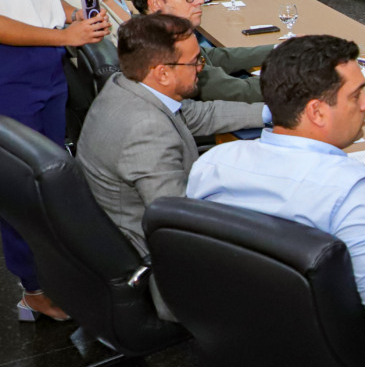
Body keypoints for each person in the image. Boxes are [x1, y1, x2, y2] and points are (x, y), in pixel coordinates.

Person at [187, 35, 365, 344]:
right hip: (346, 344)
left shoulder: (212, 164)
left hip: (253, 330)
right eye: (356, 94)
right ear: (317, 112)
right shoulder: (347, 187)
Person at [0, 0, 109, 322]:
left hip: (45, 64)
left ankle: (58, 269)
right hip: (11, 70)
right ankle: (33, 288)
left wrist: (72, 14)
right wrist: (63, 38)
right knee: (19, 186)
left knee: (53, 177)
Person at [76, 14, 265, 256]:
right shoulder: (146, 130)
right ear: (163, 73)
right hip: (154, 253)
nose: (200, 68)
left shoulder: (126, 83)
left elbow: (199, 114)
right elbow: (177, 222)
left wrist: (274, 112)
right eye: (195, 62)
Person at [128, 0, 272, 103]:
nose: (200, 0)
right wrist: (293, 74)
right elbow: (244, 92)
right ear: (156, 3)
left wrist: (280, 49)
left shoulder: (151, 30)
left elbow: (215, 57)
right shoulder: (165, 48)